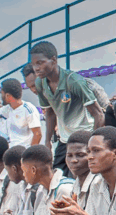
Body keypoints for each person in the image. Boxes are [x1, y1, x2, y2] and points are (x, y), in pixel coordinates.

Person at [31, 41, 105, 174]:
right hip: (65, 139)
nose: (36, 68)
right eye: (33, 64)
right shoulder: (40, 83)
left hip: (84, 135)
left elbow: (98, 114)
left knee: (80, 176)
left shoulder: (74, 81)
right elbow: (50, 113)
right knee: (58, 175)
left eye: (40, 63)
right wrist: (47, 141)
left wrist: (93, 146)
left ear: (53, 60)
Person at [0, 79, 42, 149]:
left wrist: (30, 153)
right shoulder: (8, 108)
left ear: (8, 96)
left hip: (24, 151)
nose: (1, 97)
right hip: (11, 151)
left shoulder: (28, 109)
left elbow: (38, 134)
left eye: (2, 93)